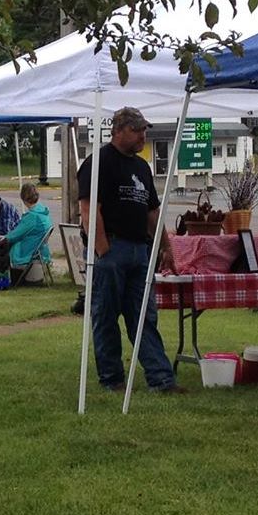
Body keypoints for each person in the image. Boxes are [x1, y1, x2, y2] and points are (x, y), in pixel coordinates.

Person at [77, 107, 181, 394]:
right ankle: (112, 379)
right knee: (106, 315)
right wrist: (102, 250)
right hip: (113, 248)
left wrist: (166, 247)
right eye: (138, 130)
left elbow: (152, 213)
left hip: (140, 251)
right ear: (119, 130)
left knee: (144, 316)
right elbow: (88, 209)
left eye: (144, 130)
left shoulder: (141, 167)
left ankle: (161, 380)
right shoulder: (98, 162)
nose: (143, 136)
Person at [4, 182, 52, 283]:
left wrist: (1, 238)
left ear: (23, 198)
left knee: (2, 246)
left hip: (26, 253)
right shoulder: (44, 213)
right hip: (41, 252)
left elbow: (13, 236)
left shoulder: (32, 217)